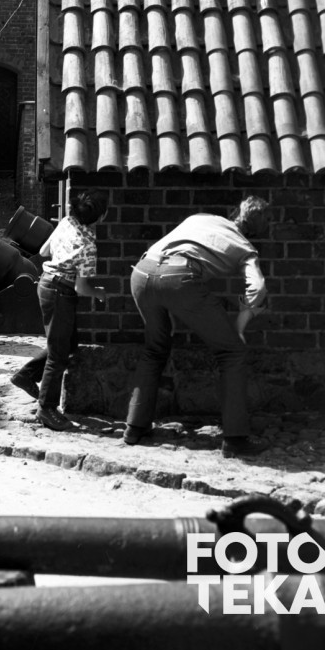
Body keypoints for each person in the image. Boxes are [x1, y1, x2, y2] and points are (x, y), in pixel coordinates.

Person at [123, 196, 273, 459]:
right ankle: (236, 439)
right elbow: (258, 288)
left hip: (142, 272)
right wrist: (241, 323)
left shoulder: (200, 218)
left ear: (235, 213)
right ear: (259, 229)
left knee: (155, 349)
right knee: (232, 353)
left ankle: (134, 428)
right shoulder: (245, 248)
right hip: (179, 279)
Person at [10, 190, 109, 431]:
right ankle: (46, 408)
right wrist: (99, 293)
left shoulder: (66, 222)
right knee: (58, 354)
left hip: (46, 283)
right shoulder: (88, 246)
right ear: (101, 216)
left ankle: (26, 375)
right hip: (61, 291)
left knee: (68, 344)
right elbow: (82, 287)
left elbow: (45, 251)